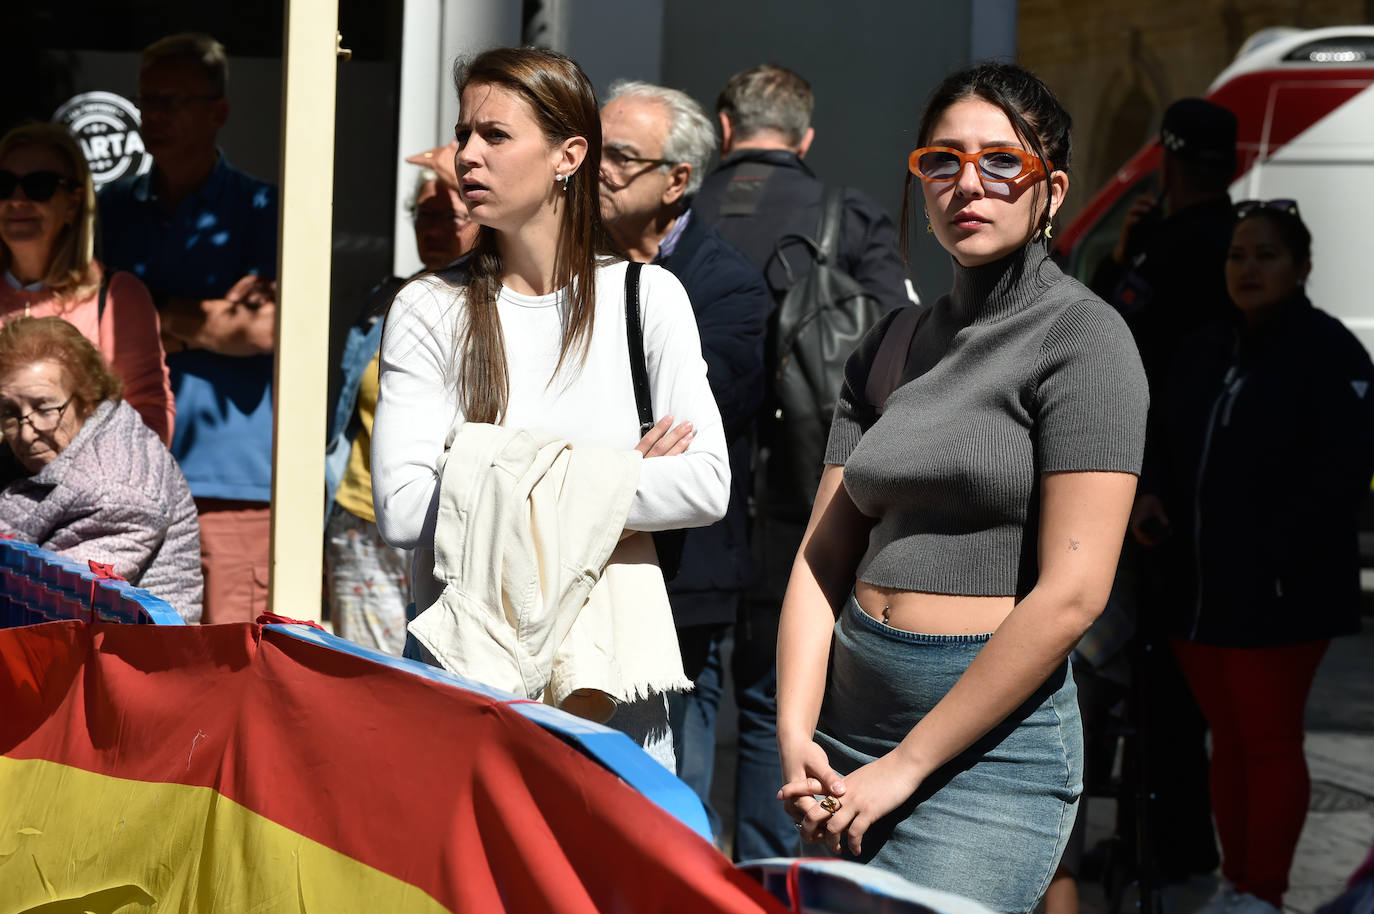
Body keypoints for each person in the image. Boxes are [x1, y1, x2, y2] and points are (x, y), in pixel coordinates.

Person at [775, 62, 1148, 914]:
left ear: (1051, 190)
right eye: (941, 161)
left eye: (1000, 162)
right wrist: (794, 733)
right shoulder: (890, 343)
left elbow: (1073, 597)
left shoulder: (1085, 340)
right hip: (845, 730)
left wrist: (905, 767)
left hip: (989, 757)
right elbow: (820, 555)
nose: (966, 184)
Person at [371, 47, 729, 768]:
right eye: (464, 132)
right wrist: (619, 474)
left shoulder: (646, 298)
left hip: (613, 695)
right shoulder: (427, 307)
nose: (465, 155)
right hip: (466, 688)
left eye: (494, 136)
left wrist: (485, 475)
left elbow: (705, 485)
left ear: (569, 155)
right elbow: (404, 509)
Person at [1132, 201, 1374, 914]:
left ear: (1301, 268)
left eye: (1266, 255)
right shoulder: (1205, 345)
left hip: (1279, 595)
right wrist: (1149, 497)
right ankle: (1237, 885)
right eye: (1239, 255)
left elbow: (1340, 476)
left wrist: (1275, 554)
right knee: (1230, 744)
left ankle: (1261, 895)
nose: (1249, 268)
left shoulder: (1332, 355)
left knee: (1268, 743)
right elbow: (1164, 442)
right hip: (1196, 590)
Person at [597, 79, 779, 855]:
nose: (593, 168)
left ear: (676, 180)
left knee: (668, 801)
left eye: (619, 156)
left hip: (680, 582)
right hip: (574, 567)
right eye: (591, 147)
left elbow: (690, 434)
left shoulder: (728, 285)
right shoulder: (560, 267)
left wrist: (576, 441)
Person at [1089, 97, 1243, 889]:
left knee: (1153, 694)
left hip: (1146, 492)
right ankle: (1173, 846)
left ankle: (1162, 848)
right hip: (1202, 497)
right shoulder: (1236, 241)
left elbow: (1115, 344)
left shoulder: (1175, 246)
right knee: (1183, 696)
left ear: (1169, 164)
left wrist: (1123, 259)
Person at [99, 33, 279, 624]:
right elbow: (91, 323)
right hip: (124, 474)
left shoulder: (261, 208)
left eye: (176, 101)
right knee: (138, 663)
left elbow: (263, 328)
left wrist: (144, 317)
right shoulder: (113, 208)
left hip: (232, 485)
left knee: (233, 666)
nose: (158, 116)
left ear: (218, 112)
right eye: (150, 100)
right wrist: (203, 321)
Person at [324, 165, 478, 655]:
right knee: (370, 678)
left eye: (450, 216)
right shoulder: (386, 301)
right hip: (363, 520)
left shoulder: (498, 305)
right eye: (423, 215)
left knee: (442, 677)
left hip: (449, 522)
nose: (433, 229)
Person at [0, 316, 201, 620]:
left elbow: (50, 607)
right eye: (9, 412)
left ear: (86, 397)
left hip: (123, 659)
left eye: (45, 408)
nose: (27, 433)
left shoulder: (116, 490)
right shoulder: (48, 450)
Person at [0, 123, 173, 445]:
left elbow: (149, 422)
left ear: (74, 203)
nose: (17, 199)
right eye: (4, 185)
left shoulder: (117, 297)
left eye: (39, 186)